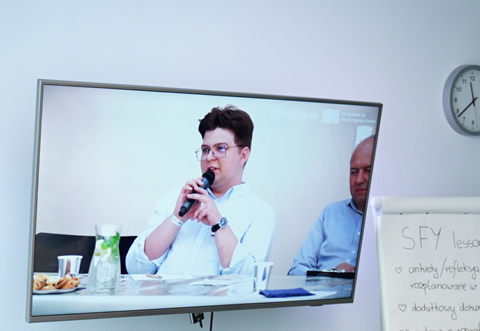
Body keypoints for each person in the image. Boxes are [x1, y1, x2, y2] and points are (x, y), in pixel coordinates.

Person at [126, 106, 276, 279]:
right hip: (160, 295)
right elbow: (135, 268)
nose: (210, 157)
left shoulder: (260, 212)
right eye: (205, 149)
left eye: (221, 148)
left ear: (243, 155)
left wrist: (219, 223)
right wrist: (177, 218)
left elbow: (249, 279)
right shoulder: (176, 199)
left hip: (210, 298)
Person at [288, 135, 375, 275]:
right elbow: (297, 269)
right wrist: (330, 274)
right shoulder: (331, 213)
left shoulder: (395, 220)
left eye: (368, 170)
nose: (359, 179)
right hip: (322, 288)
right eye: (354, 172)